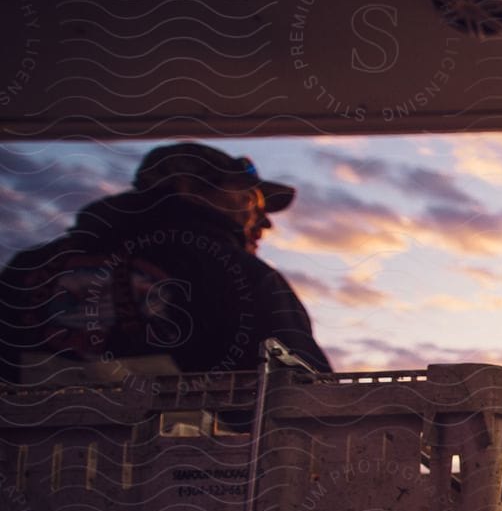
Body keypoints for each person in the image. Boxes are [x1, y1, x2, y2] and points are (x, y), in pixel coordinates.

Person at [0, 141, 331, 383]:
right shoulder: (244, 277)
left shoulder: (28, 267)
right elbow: (306, 394)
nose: (264, 222)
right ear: (186, 188)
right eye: (249, 199)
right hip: (195, 474)